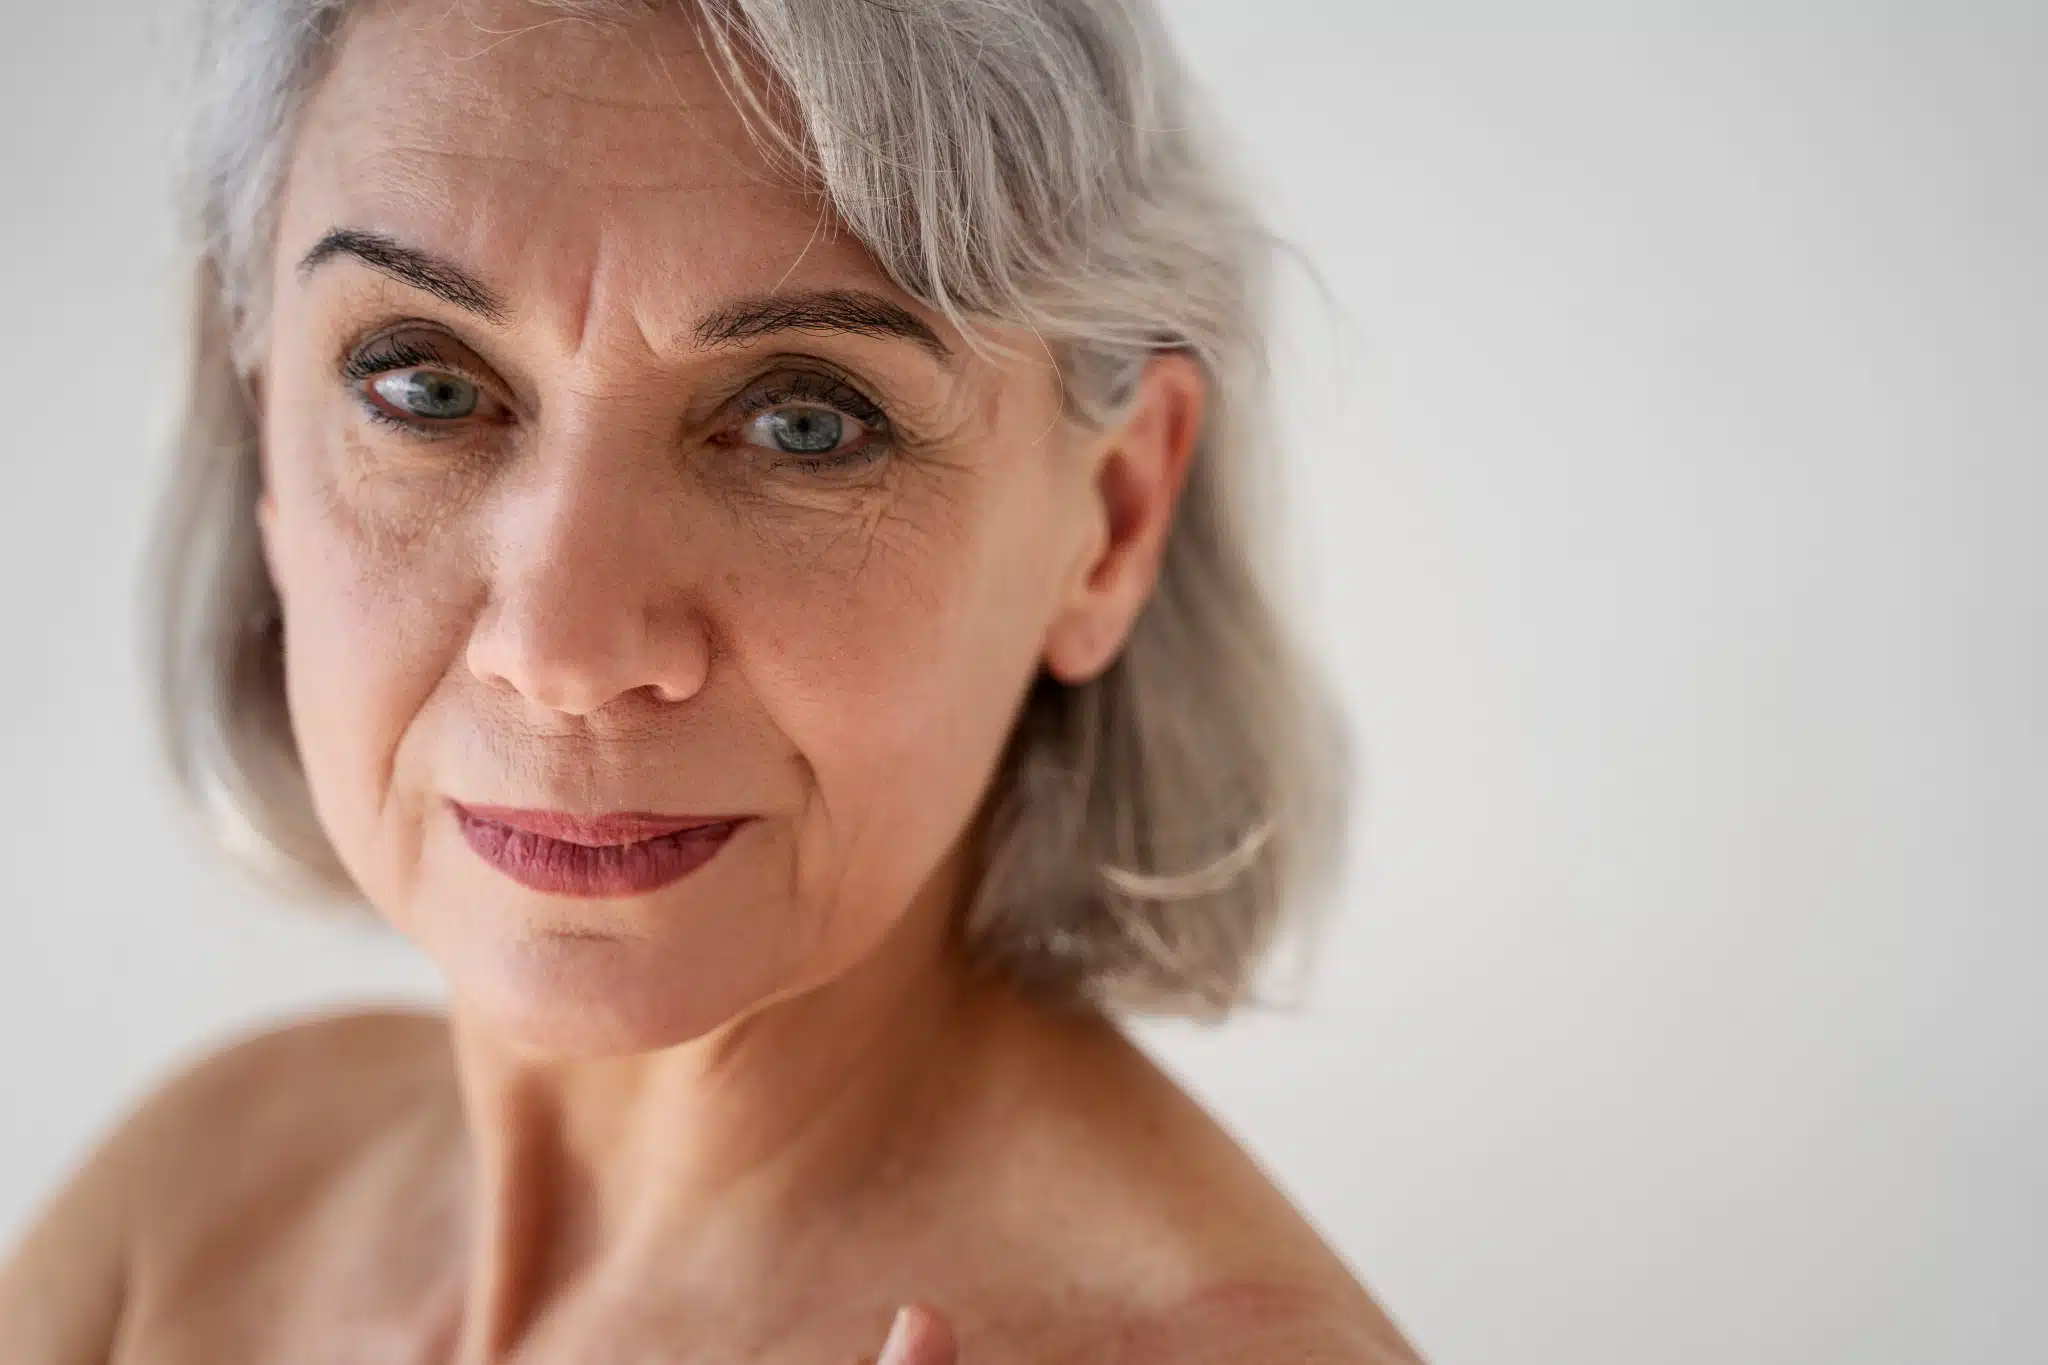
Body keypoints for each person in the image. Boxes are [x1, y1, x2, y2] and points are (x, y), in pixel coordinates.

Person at [0, 1, 1422, 1361]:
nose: (563, 653)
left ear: (1110, 524)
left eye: (806, 423)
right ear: (262, 431)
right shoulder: (191, 1218)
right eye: (424, 385)